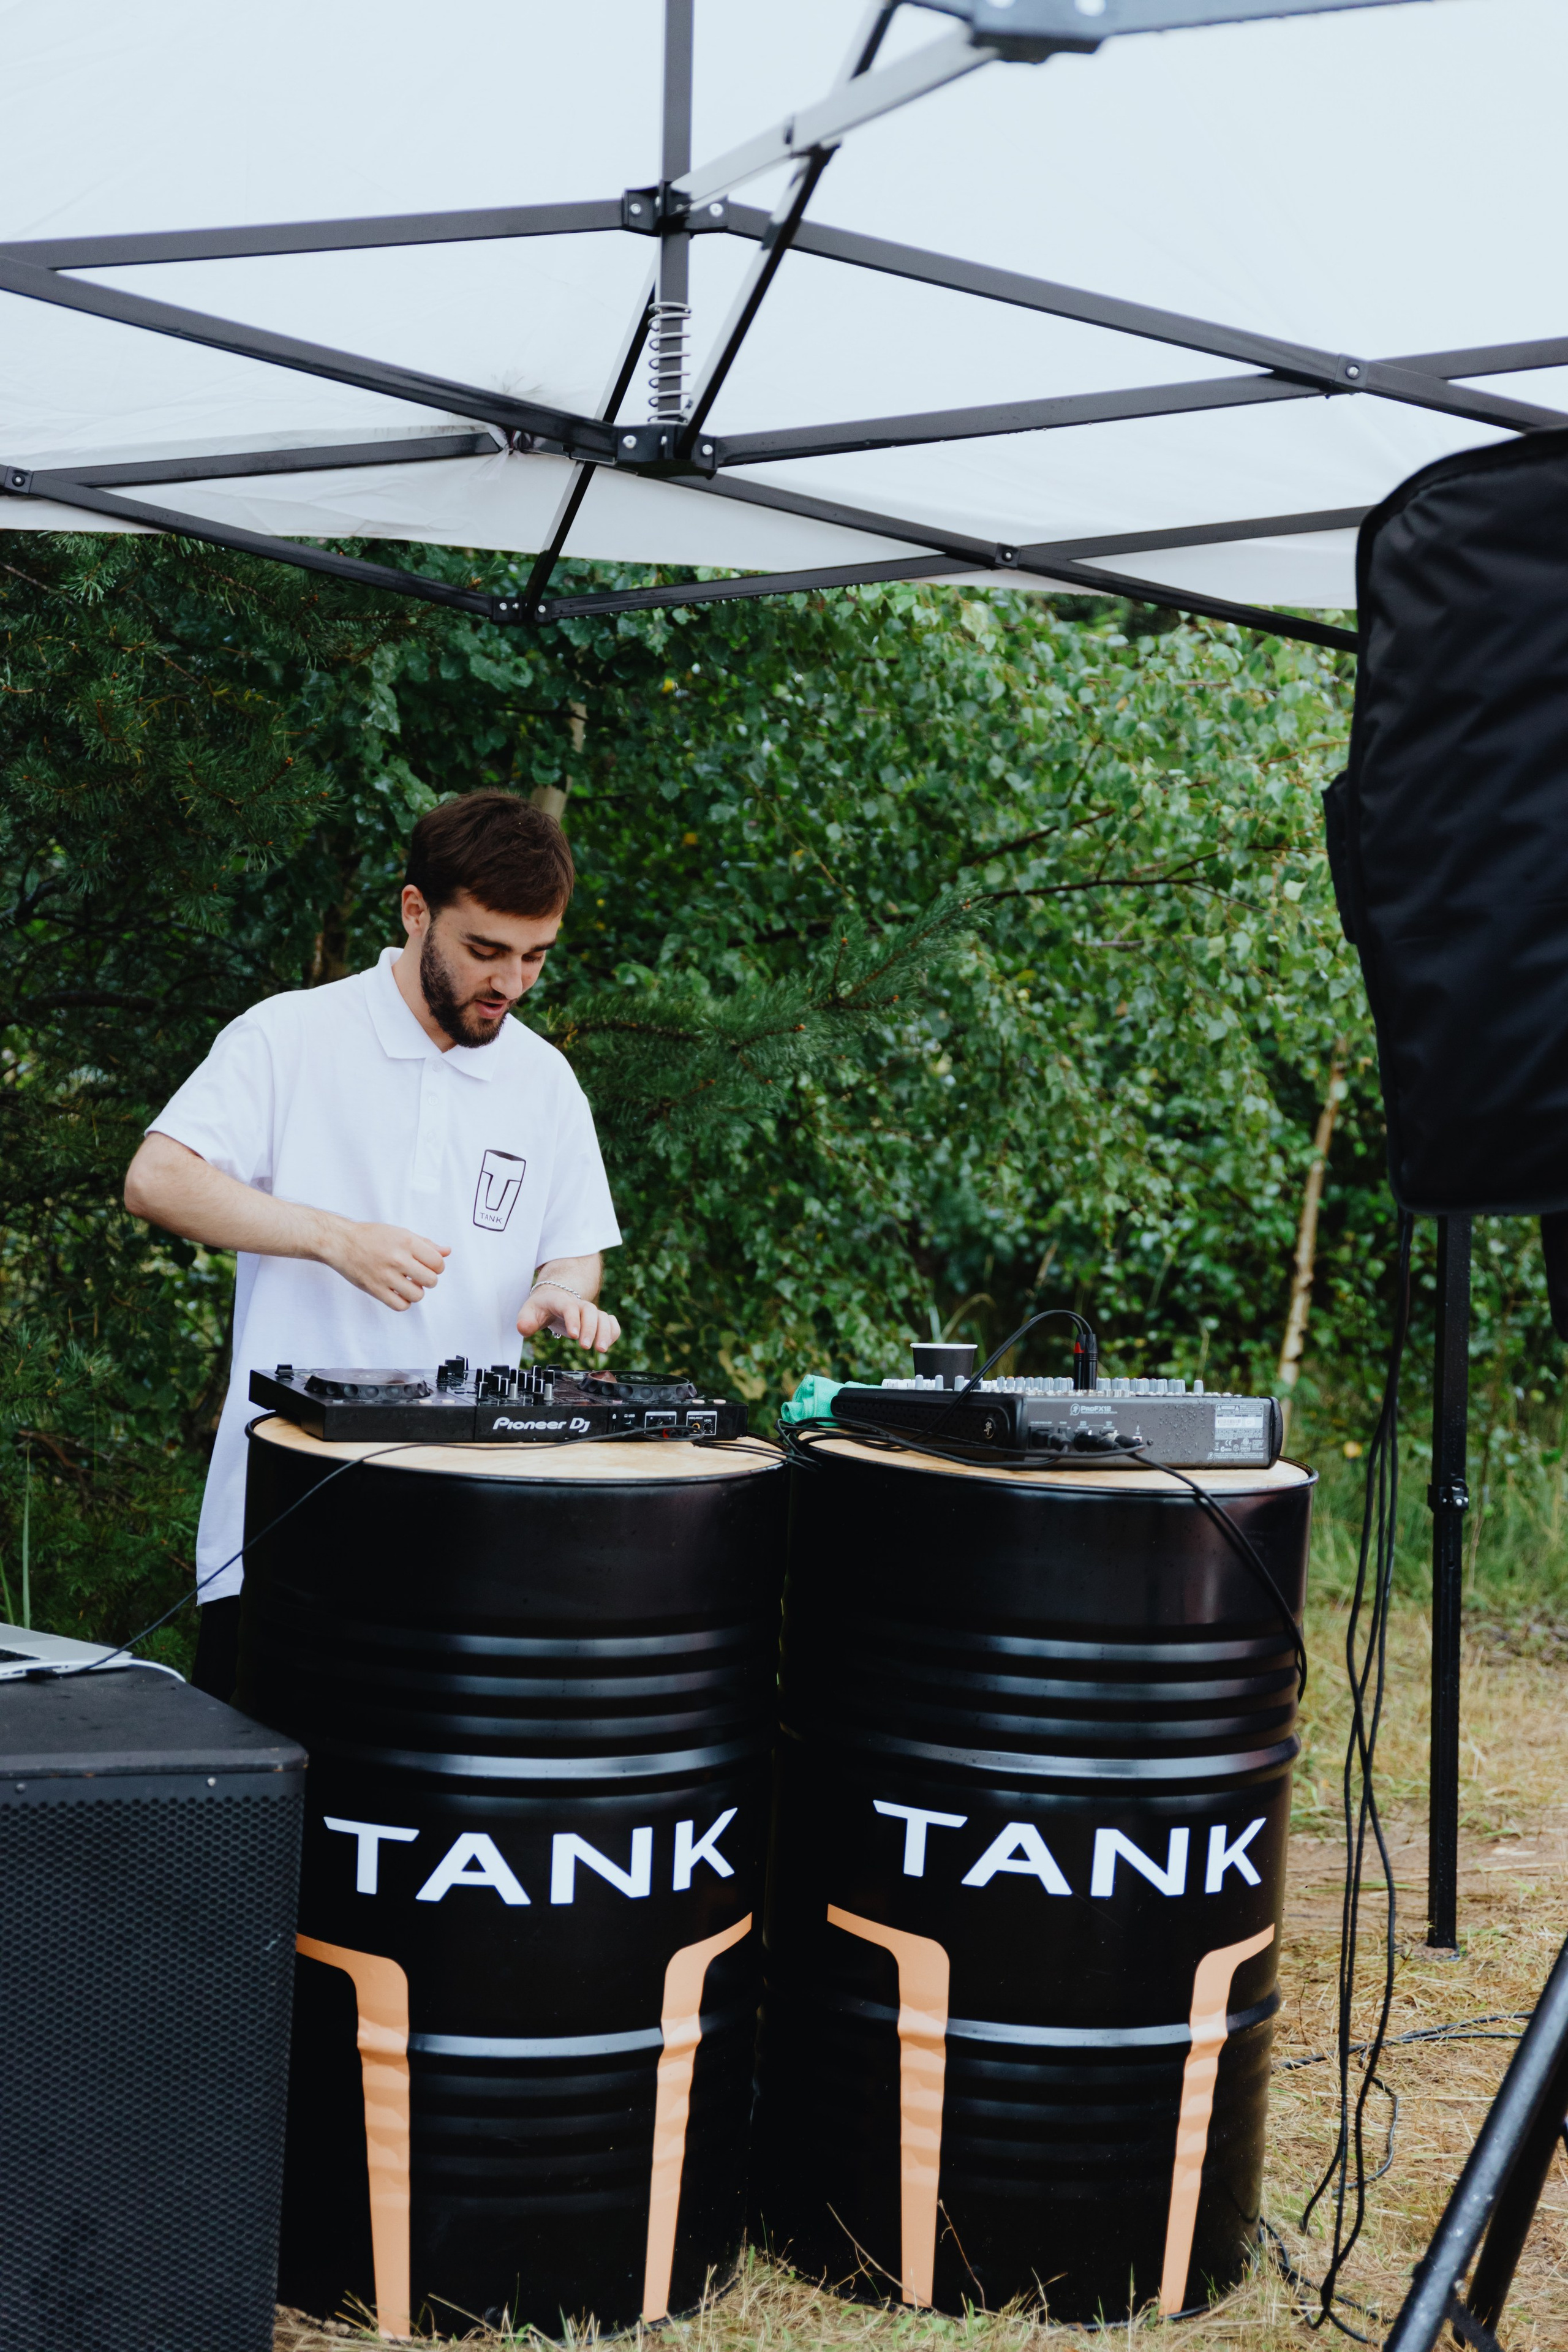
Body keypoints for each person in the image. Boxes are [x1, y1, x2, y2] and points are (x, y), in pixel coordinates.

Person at [124, 791, 622, 1698]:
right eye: (486, 951)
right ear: (415, 910)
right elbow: (157, 1179)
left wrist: (560, 1288)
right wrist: (333, 1238)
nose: (511, 984)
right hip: (278, 1527)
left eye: (536, 956)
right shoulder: (291, 1034)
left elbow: (574, 1246)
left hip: (473, 1535)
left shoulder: (546, 1082)